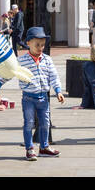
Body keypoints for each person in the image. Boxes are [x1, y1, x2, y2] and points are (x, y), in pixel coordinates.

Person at [17, 27, 63, 160]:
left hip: (43, 98)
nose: (41, 47)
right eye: (37, 45)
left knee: (45, 123)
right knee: (29, 123)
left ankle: (44, 147)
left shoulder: (47, 60)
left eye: (43, 45)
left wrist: (58, 91)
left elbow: (54, 76)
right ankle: (30, 149)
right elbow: (10, 73)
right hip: (28, 98)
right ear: (28, 43)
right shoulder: (22, 60)